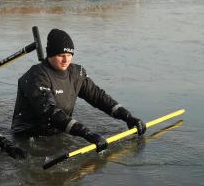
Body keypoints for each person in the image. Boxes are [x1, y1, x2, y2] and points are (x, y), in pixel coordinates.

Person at [11, 28, 146, 151]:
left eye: (69, 55)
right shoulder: (36, 76)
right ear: (50, 54)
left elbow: (98, 97)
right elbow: (50, 112)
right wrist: (86, 133)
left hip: (59, 131)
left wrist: (128, 117)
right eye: (61, 55)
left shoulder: (77, 73)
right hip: (28, 137)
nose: (66, 60)